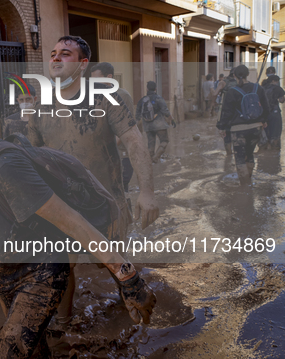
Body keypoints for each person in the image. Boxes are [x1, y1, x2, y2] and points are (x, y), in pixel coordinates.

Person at [0, 74, 156, 358]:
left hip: (38, 278)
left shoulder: (3, 165)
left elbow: (72, 222)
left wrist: (128, 278)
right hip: (7, 282)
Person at [28, 36, 159, 323]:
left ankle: (140, 319)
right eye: (53, 54)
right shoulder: (39, 105)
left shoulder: (106, 97)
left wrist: (146, 192)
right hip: (61, 206)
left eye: (65, 53)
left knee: (115, 264)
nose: (56, 58)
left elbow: (134, 142)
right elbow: (31, 156)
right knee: (60, 268)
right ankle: (62, 327)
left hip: (104, 203)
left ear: (83, 64)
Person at [217, 65, 270, 185]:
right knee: (249, 154)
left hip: (238, 129)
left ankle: (245, 187)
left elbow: (226, 112)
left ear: (234, 75)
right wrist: (264, 120)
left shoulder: (232, 92)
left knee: (240, 158)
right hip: (256, 128)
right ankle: (249, 182)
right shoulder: (259, 88)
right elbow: (266, 108)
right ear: (247, 75)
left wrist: (222, 127)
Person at [90, 62, 134, 206]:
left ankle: (127, 224)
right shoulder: (96, 97)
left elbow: (124, 130)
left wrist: (106, 149)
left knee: (121, 191)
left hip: (121, 155)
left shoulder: (122, 95)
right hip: (104, 156)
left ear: (109, 78)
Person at [135, 81, 176, 163]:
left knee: (150, 145)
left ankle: (150, 163)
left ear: (147, 89)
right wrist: (172, 119)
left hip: (147, 126)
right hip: (159, 125)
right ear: (156, 89)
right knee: (164, 141)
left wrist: (135, 128)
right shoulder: (158, 98)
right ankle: (156, 157)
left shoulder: (142, 100)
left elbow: (137, 116)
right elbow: (165, 111)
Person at [213, 69, 237, 155]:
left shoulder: (223, 82)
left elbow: (215, 94)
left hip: (226, 111)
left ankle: (229, 155)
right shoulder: (243, 83)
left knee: (226, 132)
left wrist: (214, 103)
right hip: (239, 112)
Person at [263, 74, 285, 149]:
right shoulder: (277, 88)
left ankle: (266, 150)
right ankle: (275, 152)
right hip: (274, 113)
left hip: (264, 114)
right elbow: (281, 100)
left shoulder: (262, 88)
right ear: (273, 81)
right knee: (276, 133)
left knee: (266, 132)